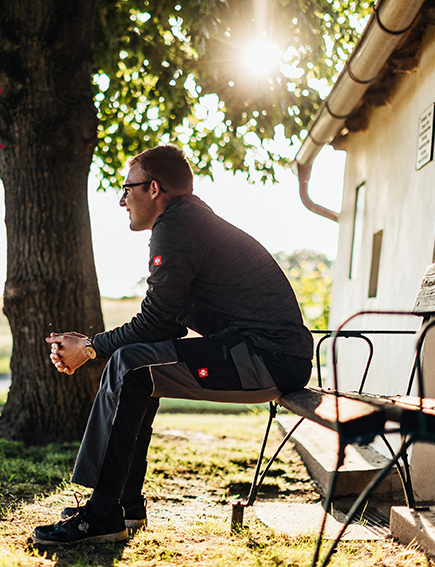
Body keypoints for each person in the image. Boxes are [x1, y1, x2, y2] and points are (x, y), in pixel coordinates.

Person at [33, 144, 313, 546]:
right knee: (138, 368)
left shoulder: (177, 225)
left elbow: (155, 321)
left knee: (130, 366)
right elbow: (162, 326)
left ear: (153, 188)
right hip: (260, 354)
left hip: (267, 359)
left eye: (127, 189)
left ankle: (101, 516)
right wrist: (90, 346)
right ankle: (123, 504)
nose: (122, 200)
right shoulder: (189, 221)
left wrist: (90, 347)